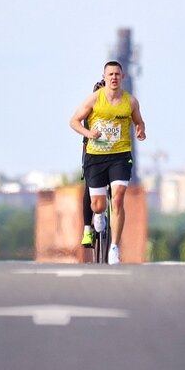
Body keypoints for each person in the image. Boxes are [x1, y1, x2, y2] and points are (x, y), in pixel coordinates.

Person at [70, 60, 146, 264]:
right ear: (104, 77)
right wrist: (89, 133)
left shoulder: (130, 102)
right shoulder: (95, 99)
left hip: (120, 156)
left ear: (122, 77)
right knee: (98, 205)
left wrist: (140, 129)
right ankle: (98, 217)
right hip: (96, 157)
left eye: (117, 74)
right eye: (110, 74)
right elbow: (73, 121)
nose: (114, 77)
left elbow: (139, 120)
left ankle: (114, 247)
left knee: (119, 198)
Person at [80, 79, 106, 248]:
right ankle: (87, 229)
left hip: (115, 156)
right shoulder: (90, 109)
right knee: (89, 189)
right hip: (93, 155)